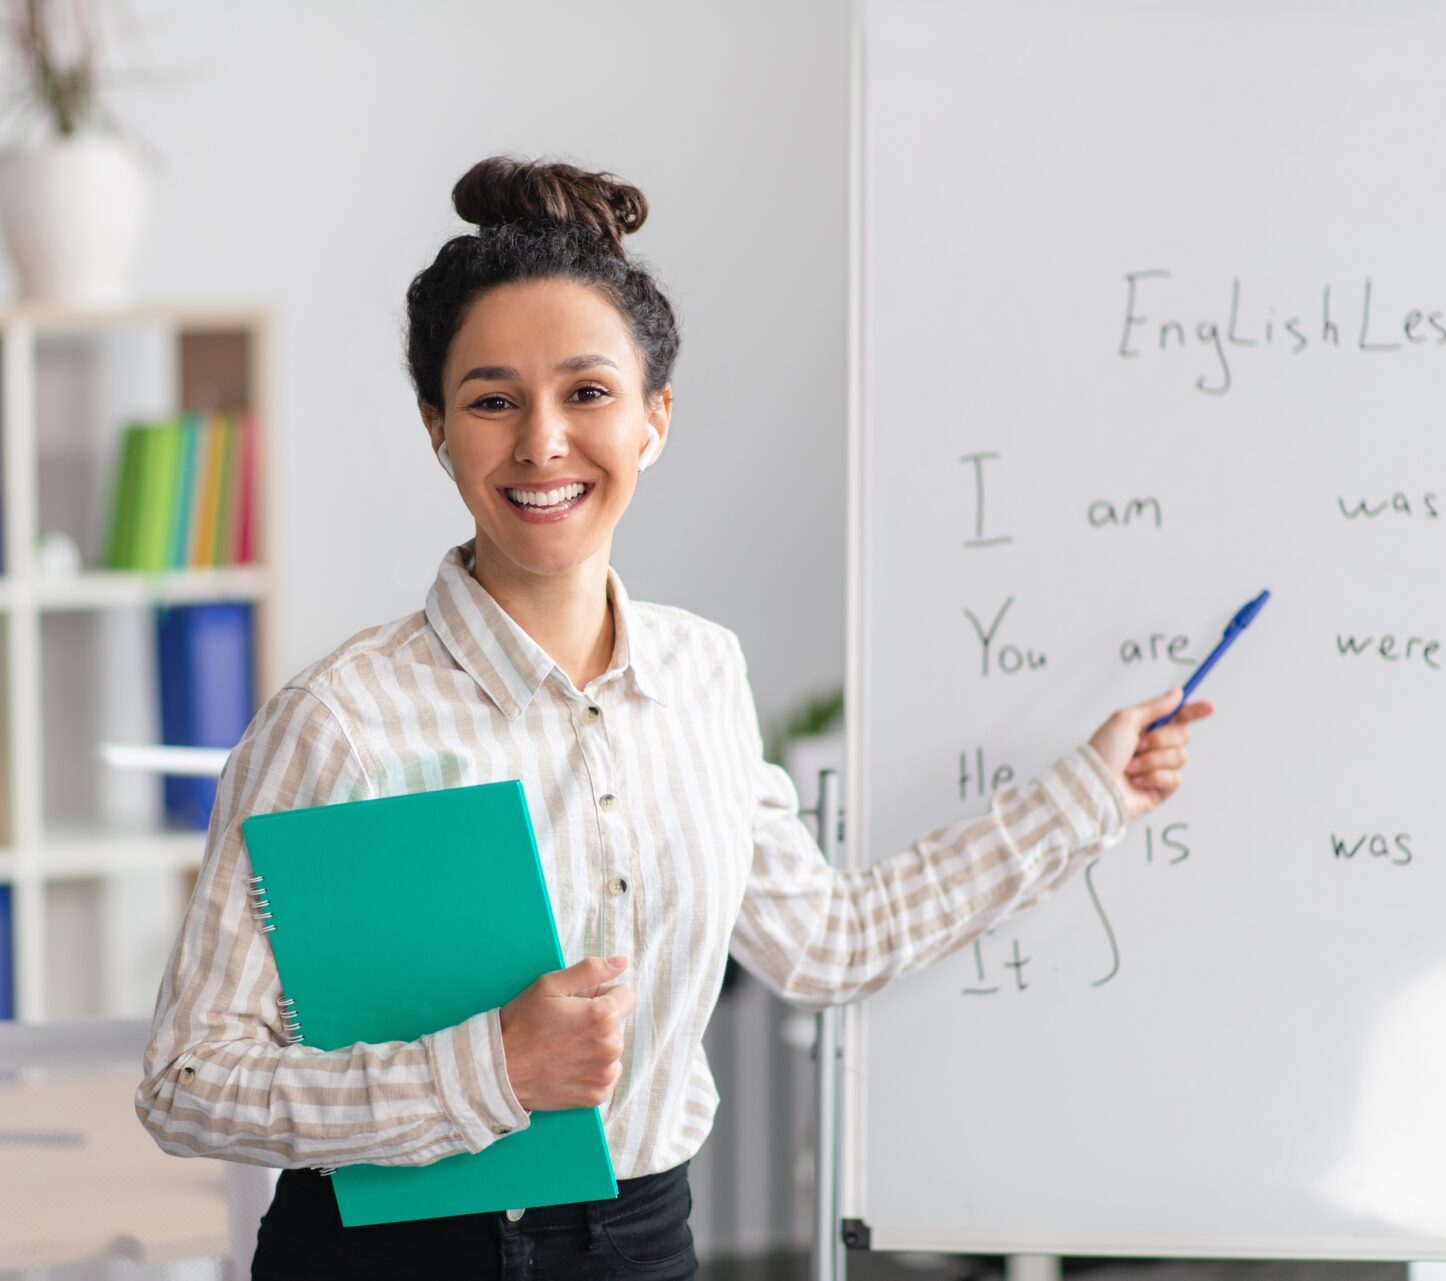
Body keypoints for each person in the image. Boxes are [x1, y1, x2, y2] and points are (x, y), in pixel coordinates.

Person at [135, 155, 1212, 1281]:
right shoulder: (340, 720)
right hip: (396, 1255)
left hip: (641, 1246)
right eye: (492, 399)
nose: (542, 442)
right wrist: (492, 1070)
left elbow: (825, 943)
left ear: (654, 419)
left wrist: (1088, 792)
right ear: (436, 427)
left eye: (587, 393)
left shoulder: (702, 674)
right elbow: (188, 1080)